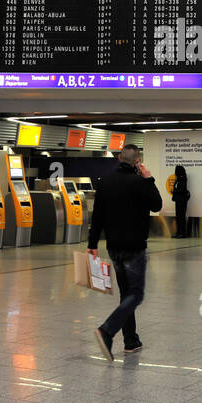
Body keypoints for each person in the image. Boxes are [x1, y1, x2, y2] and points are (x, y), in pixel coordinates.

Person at [88, 144, 163, 360]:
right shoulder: (140, 183)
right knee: (136, 294)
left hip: (114, 247)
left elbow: (98, 217)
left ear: (120, 158)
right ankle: (107, 330)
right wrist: (149, 179)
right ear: (137, 161)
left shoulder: (105, 183)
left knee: (126, 294)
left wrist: (92, 244)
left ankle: (131, 341)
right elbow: (157, 205)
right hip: (135, 247)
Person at [170, 165, 190, 239]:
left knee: (181, 217)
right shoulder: (178, 179)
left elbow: (181, 189)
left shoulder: (183, 178)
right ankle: (178, 232)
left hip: (182, 200)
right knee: (178, 217)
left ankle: (182, 233)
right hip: (178, 200)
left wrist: (174, 191)